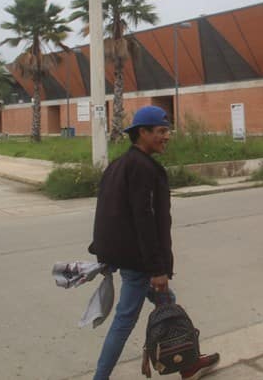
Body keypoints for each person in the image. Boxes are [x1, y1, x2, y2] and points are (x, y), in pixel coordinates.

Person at [89, 105, 220, 380]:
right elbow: (145, 222)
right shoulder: (142, 169)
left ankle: (189, 362)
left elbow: (109, 216)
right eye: (160, 131)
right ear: (142, 133)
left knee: (167, 305)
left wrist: (106, 254)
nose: (166, 136)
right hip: (140, 263)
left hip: (130, 257)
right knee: (124, 321)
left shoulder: (120, 165)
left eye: (167, 130)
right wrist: (157, 269)